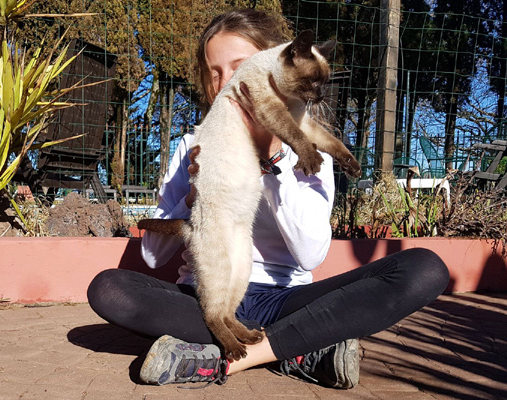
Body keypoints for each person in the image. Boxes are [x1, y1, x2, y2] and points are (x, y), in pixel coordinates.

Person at [87, 8, 450, 389]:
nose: (226, 82)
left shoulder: (309, 152)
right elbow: (152, 257)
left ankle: (226, 355)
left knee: (424, 269)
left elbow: (310, 256)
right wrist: (194, 194)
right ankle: (299, 348)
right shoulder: (193, 144)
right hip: (203, 292)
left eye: (238, 66)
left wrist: (272, 158)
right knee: (109, 289)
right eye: (214, 72)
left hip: (285, 299)